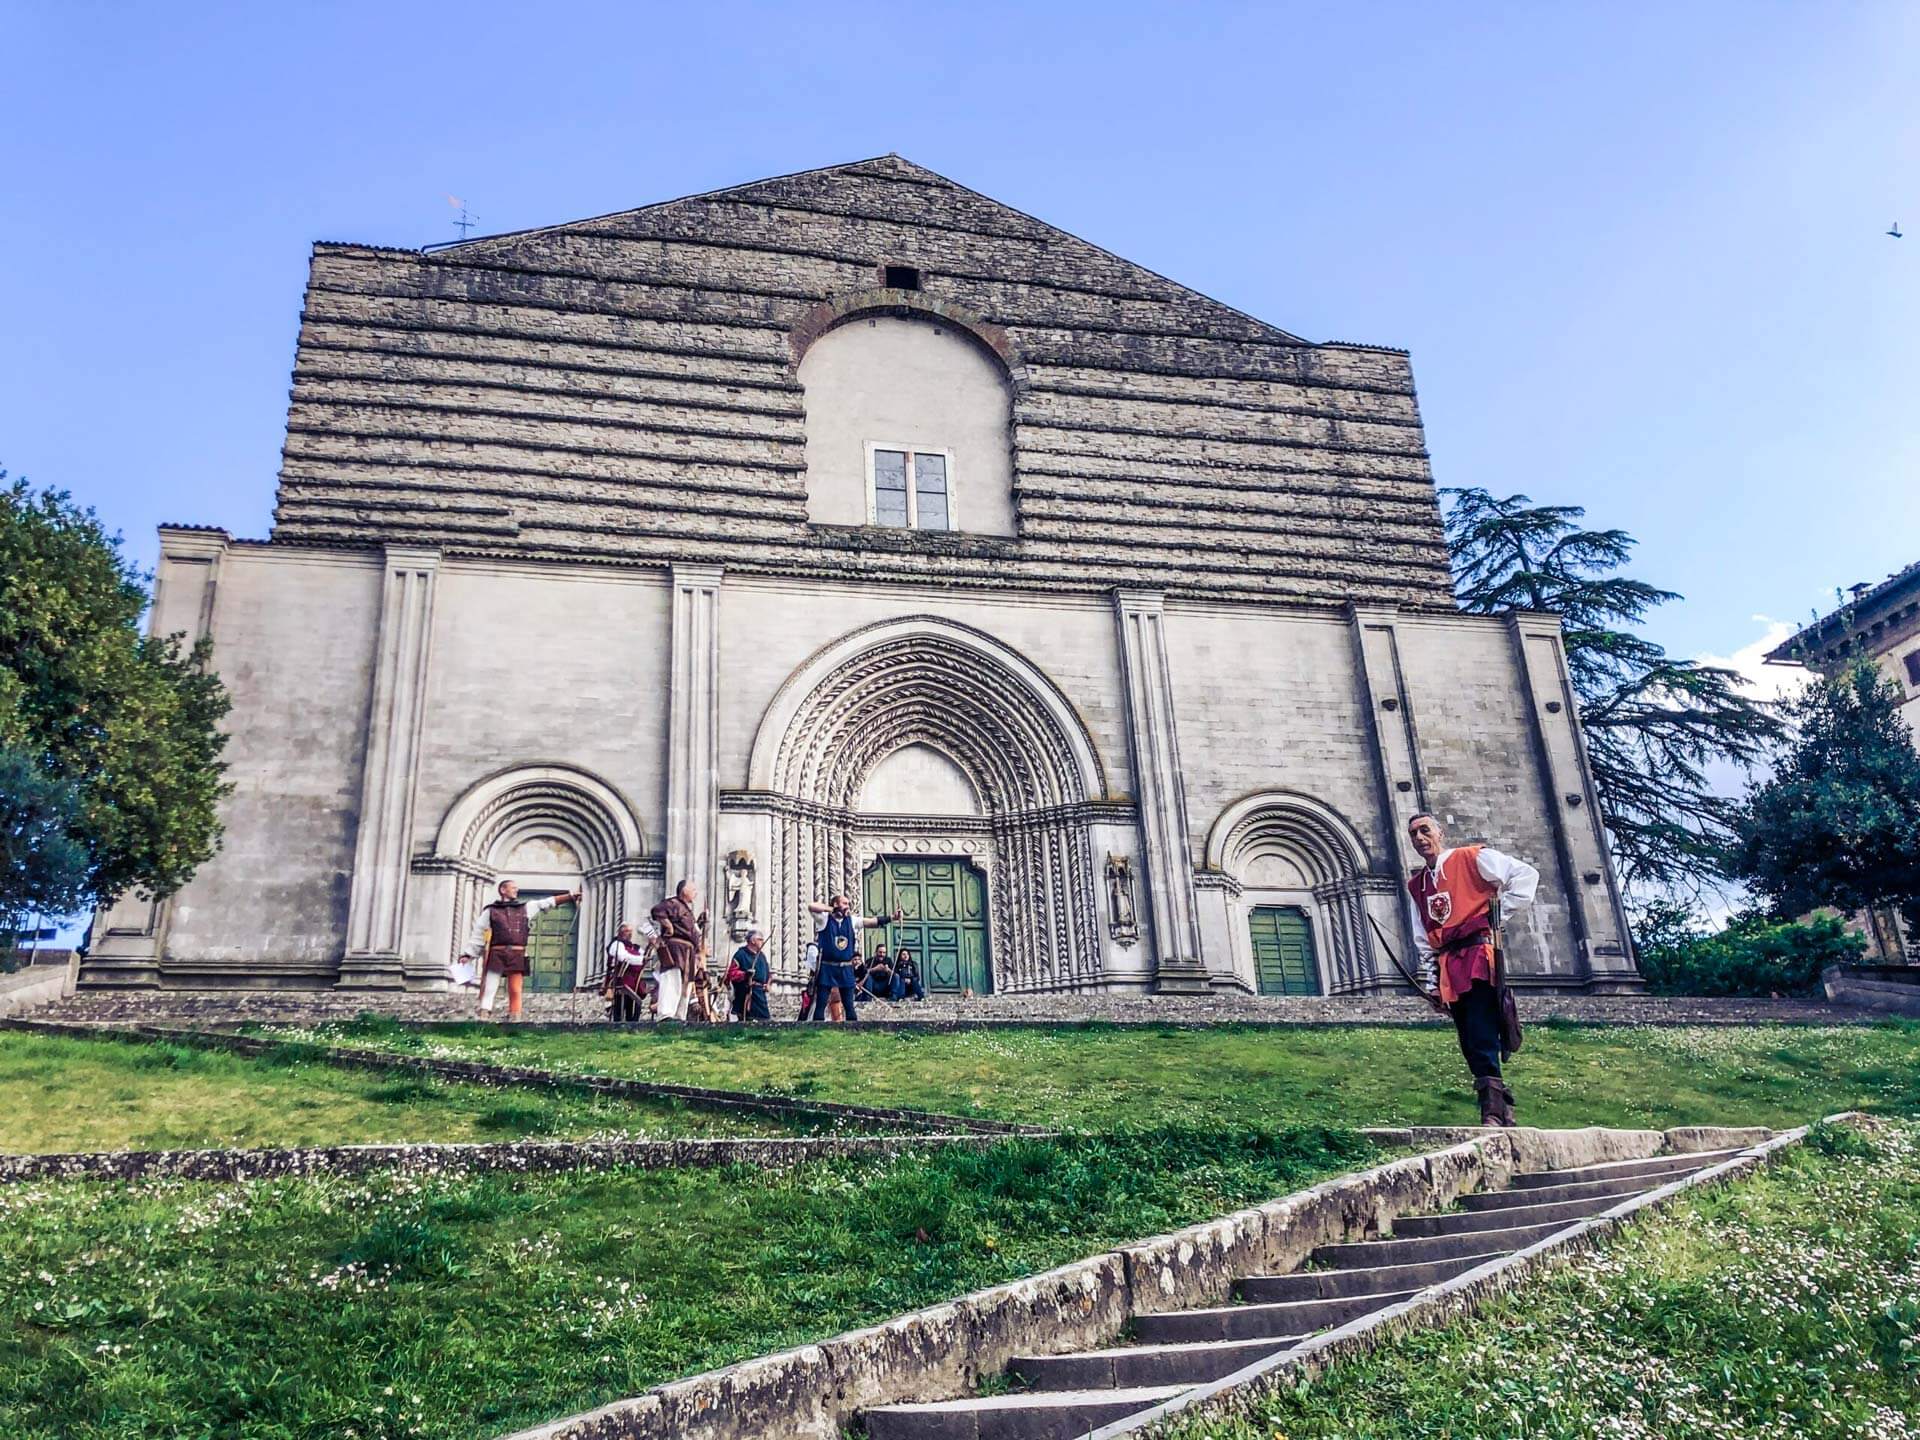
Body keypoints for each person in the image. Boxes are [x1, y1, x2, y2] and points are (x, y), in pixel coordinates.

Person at [1405, 812, 1538, 1127]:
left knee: (1480, 1030)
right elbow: (1423, 937)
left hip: (1478, 955)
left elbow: (1525, 876)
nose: (1420, 838)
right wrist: (1433, 981)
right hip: (1449, 965)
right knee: (1468, 1038)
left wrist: (1494, 917)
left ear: (1441, 833)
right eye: (1413, 834)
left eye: (1425, 830)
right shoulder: (1418, 885)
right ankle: (1501, 1107)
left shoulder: (1473, 858)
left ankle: (1492, 1109)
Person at [460, 880, 580, 1022]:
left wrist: (570, 896)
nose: (516, 890)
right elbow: (479, 933)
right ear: (503, 890)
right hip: (497, 953)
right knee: (490, 986)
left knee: (515, 988)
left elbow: (546, 902)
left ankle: (515, 1017)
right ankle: (484, 1015)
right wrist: (468, 954)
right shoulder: (490, 911)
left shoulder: (526, 907)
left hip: (517, 953)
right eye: (513, 888)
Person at [805, 893, 900, 1024]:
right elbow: (811, 906)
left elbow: (872, 922)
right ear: (836, 904)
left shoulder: (852, 920)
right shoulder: (824, 919)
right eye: (844, 903)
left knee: (849, 1005)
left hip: (845, 968)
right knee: (821, 1004)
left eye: (848, 904)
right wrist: (831, 909)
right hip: (827, 968)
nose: (848, 906)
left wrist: (892, 917)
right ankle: (818, 1030)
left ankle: (852, 1031)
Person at [650, 879, 707, 1024]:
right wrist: (668, 927)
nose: (696, 893)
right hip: (675, 948)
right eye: (693, 889)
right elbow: (657, 911)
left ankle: (679, 1016)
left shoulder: (686, 909)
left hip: (688, 950)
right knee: (672, 978)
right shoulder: (673, 903)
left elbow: (689, 930)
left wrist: (700, 922)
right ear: (684, 891)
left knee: (686, 983)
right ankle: (666, 1014)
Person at [605, 923, 649, 1024]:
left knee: (635, 1004)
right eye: (627, 931)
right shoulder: (616, 944)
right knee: (620, 1004)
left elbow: (646, 956)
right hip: (621, 980)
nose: (629, 934)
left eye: (630, 932)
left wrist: (650, 945)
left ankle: (633, 1024)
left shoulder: (635, 947)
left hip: (635, 981)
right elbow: (623, 957)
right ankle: (617, 1025)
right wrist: (641, 959)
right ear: (620, 932)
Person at [729, 929, 772, 1022]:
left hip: (760, 994)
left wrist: (768, 984)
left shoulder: (761, 956)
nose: (762, 942)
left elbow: (768, 973)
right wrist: (745, 974)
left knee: (765, 1020)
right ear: (753, 941)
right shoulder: (740, 955)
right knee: (747, 1020)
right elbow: (732, 974)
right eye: (760, 939)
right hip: (747, 994)